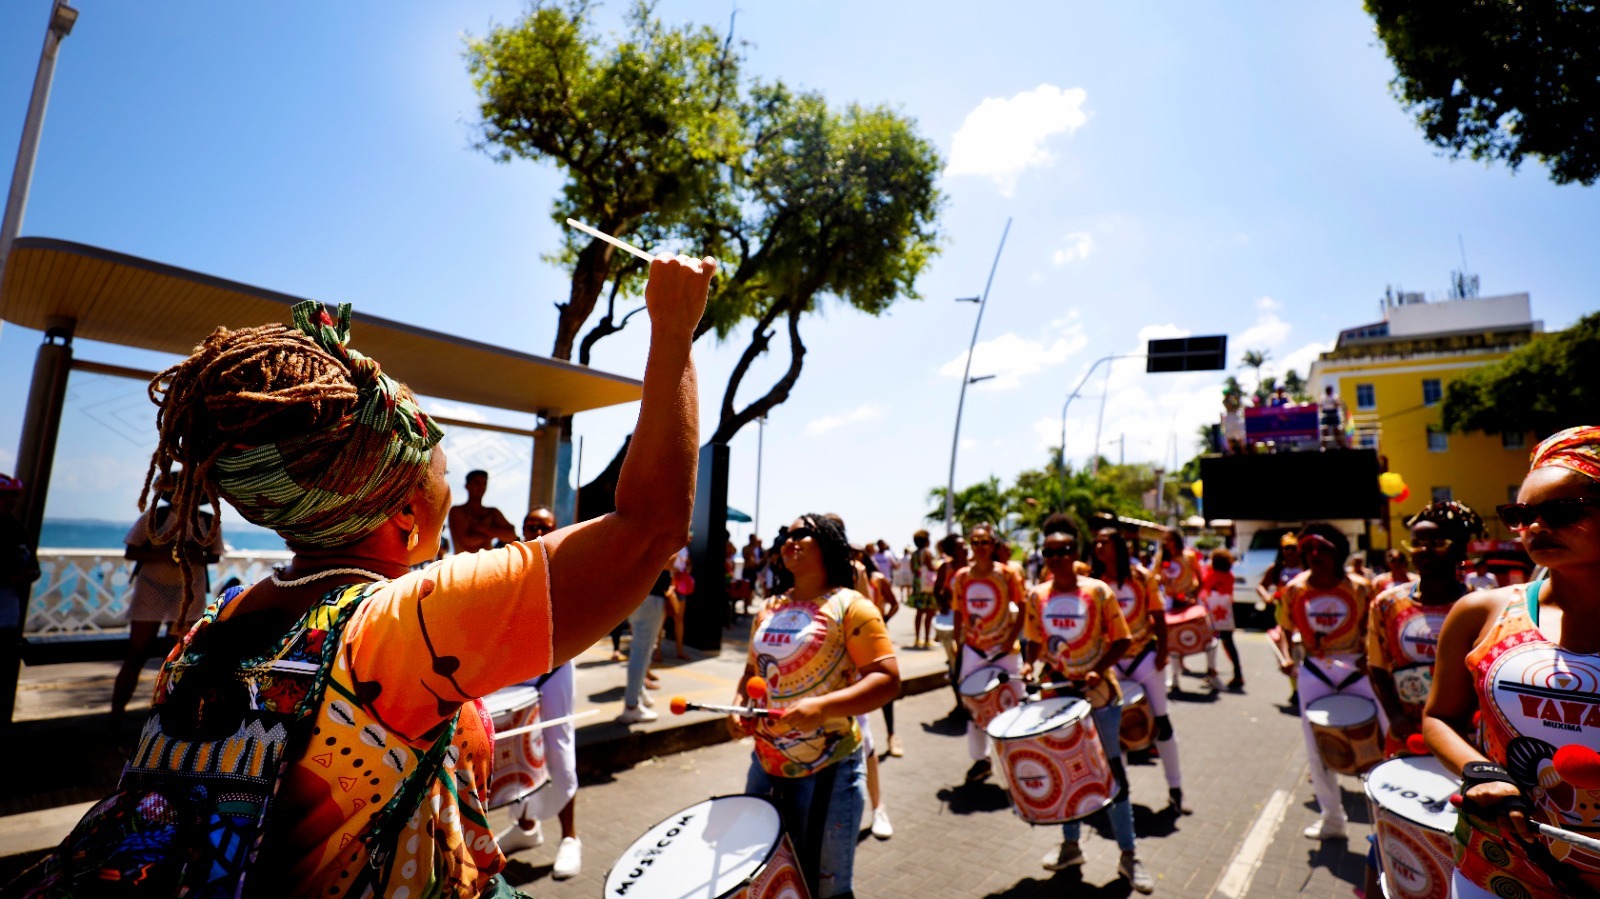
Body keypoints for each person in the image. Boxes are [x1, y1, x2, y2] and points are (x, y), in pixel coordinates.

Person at [18, 252, 716, 896]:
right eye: (442, 475)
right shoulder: (399, 623)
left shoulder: (216, 625)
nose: (448, 495)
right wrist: (674, 332)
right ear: (409, 510)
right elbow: (649, 528)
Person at [1424, 426, 1600, 898]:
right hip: (1498, 867)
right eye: (1522, 514)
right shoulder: (1482, 611)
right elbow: (1440, 717)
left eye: (1562, 511)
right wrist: (1482, 771)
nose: (1536, 527)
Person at [737, 513, 900, 898]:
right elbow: (751, 671)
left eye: (802, 533)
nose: (790, 541)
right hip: (765, 765)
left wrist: (824, 708)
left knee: (826, 887)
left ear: (827, 542)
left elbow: (887, 679)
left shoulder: (851, 606)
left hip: (829, 771)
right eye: (786, 536)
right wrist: (740, 707)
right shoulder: (770, 607)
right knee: (766, 875)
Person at [1029, 516, 1155, 893]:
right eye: (1049, 552)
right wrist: (1027, 661)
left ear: (1075, 553)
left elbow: (1121, 639)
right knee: (1066, 769)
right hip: (1058, 696)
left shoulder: (1098, 592)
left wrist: (1099, 670)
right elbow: (1033, 640)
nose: (1056, 558)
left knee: (1110, 772)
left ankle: (1129, 854)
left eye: (1064, 551)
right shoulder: (1038, 596)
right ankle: (1070, 846)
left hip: (1100, 698)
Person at [1272, 522, 1379, 841]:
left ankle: (1386, 818)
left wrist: (1370, 657)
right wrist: (1286, 656)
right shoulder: (1295, 590)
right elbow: (1282, 630)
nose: (1315, 556)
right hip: (1315, 671)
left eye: (1322, 549)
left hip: (1358, 671)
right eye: (1309, 550)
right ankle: (1332, 819)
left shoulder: (1361, 588)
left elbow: (1376, 629)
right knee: (1316, 749)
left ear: (1339, 553)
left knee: (1375, 744)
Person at [496, 507, 583, 879]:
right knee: (515, 754)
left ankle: (571, 838)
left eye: (544, 526)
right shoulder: (504, 567)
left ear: (555, 530)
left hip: (554, 672)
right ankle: (527, 828)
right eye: (530, 524)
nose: (535, 530)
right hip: (515, 675)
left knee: (558, 751)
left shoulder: (568, 567)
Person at [1368, 501, 1481, 757]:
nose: (1424, 550)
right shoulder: (1386, 604)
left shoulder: (1481, 605)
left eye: (1437, 543)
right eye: (1417, 543)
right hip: (1408, 734)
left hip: (1465, 736)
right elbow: (1376, 666)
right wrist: (1395, 718)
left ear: (1458, 549)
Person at [111, 479, 225, 721]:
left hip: (188, 590)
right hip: (151, 588)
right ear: (172, 494)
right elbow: (131, 551)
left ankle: (170, 715)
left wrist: (195, 554)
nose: (184, 498)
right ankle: (117, 715)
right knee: (137, 653)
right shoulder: (154, 518)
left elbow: (214, 556)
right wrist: (163, 553)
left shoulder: (208, 522)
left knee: (178, 657)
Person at [1098, 528, 1188, 815]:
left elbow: (1159, 616)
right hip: (1112, 660)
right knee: (1115, 728)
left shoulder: (1141, 577)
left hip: (1145, 658)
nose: (1099, 546)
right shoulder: (1095, 583)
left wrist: (1162, 652)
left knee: (1161, 722)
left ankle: (1175, 789)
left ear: (1119, 546)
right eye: (1096, 542)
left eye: (1106, 542)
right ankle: (1120, 795)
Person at [950, 523, 1025, 781]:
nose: (980, 547)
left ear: (993, 545)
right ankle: (981, 760)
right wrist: (960, 644)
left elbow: (1024, 607)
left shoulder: (1007, 574)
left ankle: (1021, 757)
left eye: (985, 542)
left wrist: (1011, 639)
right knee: (975, 705)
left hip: (1005, 652)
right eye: (975, 542)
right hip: (975, 650)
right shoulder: (962, 577)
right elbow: (958, 612)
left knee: (1016, 703)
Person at [1156, 529, 1221, 693]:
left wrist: (1194, 595)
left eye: (1170, 540)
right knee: (1172, 639)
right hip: (1171, 602)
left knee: (1206, 635)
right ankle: (1175, 678)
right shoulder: (1161, 558)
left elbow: (1200, 579)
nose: (1167, 543)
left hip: (1190, 600)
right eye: (1165, 540)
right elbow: (1155, 578)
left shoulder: (1189, 556)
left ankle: (1212, 672)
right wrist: (1162, 581)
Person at [0, 474, 37, 729]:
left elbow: (34, 569)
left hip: (6, 615)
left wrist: (17, 576)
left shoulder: (17, 530)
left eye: (13, 495)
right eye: (5, 495)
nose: (10, 501)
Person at [447, 469, 519, 554]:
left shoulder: (492, 512)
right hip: (462, 565)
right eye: (477, 483)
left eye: (484, 483)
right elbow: (467, 542)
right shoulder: (457, 511)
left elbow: (512, 535)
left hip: (488, 565)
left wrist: (482, 528)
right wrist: (495, 533)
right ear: (467, 486)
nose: (481, 487)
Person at [1202, 547, 1244, 690]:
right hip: (1226, 613)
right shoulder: (1230, 575)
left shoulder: (1213, 575)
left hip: (1214, 613)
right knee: (1229, 645)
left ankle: (1212, 672)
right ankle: (1238, 673)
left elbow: (1204, 586)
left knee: (1211, 645)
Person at [906, 529, 938, 649]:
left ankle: (917, 638)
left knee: (919, 613)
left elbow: (913, 570)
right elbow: (931, 567)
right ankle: (927, 639)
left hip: (918, 585)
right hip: (928, 587)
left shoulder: (914, 554)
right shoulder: (927, 553)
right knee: (929, 613)